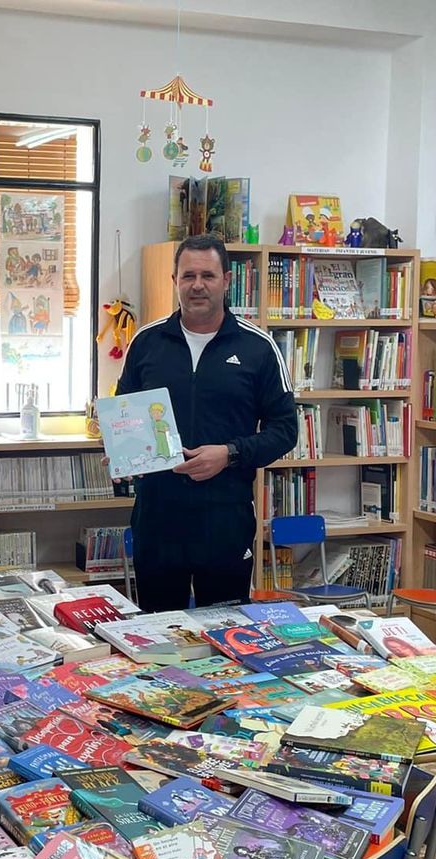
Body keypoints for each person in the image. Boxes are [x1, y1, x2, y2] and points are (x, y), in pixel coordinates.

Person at [115, 233, 298, 610]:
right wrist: (121, 448)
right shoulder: (146, 342)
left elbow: (285, 431)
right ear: (175, 281)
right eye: (188, 276)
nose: (197, 285)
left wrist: (230, 453)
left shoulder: (258, 347)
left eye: (208, 275)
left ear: (226, 280)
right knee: (156, 630)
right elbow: (124, 414)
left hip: (225, 520)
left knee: (227, 629)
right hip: (158, 520)